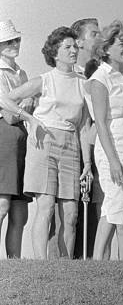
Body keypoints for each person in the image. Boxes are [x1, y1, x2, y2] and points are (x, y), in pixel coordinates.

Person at [0, 27, 92, 259]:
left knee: (71, 213)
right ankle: (42, 263)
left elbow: (84, 125)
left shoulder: (83, 82)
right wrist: (28, 116)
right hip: (43, 143)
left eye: (74, 47)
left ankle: (65, 265)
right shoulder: (43, 80)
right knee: (46, 207)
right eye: (67, 47)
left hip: (70, 144)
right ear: (54, 53)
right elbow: (7, 100)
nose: (73, 51)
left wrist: (88, 163)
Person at [86, 20, 123, 260]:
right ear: (107, 48)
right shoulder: (100, 78)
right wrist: (113, 160)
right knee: (121, 211)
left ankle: (97, 260)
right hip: (114, 146)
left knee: (115, 207)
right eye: (122, 44)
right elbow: (100, 123)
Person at [69, 18, 103, 260]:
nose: (99, 37)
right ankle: (62, 261)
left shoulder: (100, 73)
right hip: (72, 149)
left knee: (95, 206)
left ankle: (91, 260)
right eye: (93, 33)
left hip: (97, 147)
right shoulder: (68, 75)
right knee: (69, 210)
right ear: (78, 42)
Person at [0, 20, 34, 257]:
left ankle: (15, 260)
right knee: (2, 203)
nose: (14, 44)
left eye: (16, 39)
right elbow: (9, 113)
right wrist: (25, 105)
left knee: (20, 209)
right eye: (8, 41)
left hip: (22, 137)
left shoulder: (21, 72)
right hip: (5, 134)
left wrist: (23, 106)